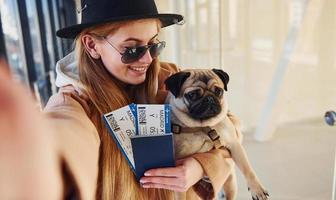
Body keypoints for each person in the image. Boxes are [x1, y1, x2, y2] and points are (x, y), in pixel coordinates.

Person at [1, 0, 239, 199]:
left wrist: (200, 166)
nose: (147, 59)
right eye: (132, 49)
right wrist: (39, 153)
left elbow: (229, 133)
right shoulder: (75, 103)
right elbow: (67, 132)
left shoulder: (172, 78)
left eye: (154, 45)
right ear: (92, 45)